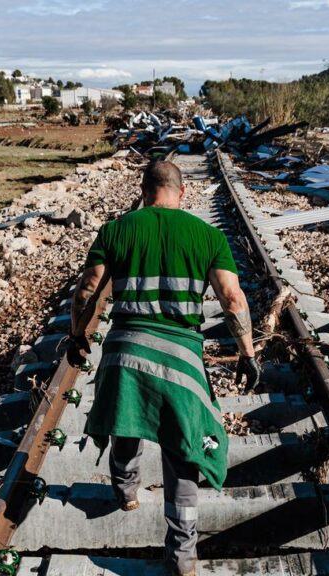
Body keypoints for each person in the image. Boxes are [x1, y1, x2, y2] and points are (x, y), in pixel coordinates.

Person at [66, 160, 260, 576]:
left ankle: (126, 491)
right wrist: (247, 351)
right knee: (183, 453)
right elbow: (232, 298)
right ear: (182, 192)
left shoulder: (116, 230)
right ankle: (182, 556)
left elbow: (86, 291)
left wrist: (78, 336)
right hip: (180, 360)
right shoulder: (208, 236)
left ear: (143, 190)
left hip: (124, 352)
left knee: (126, 423)